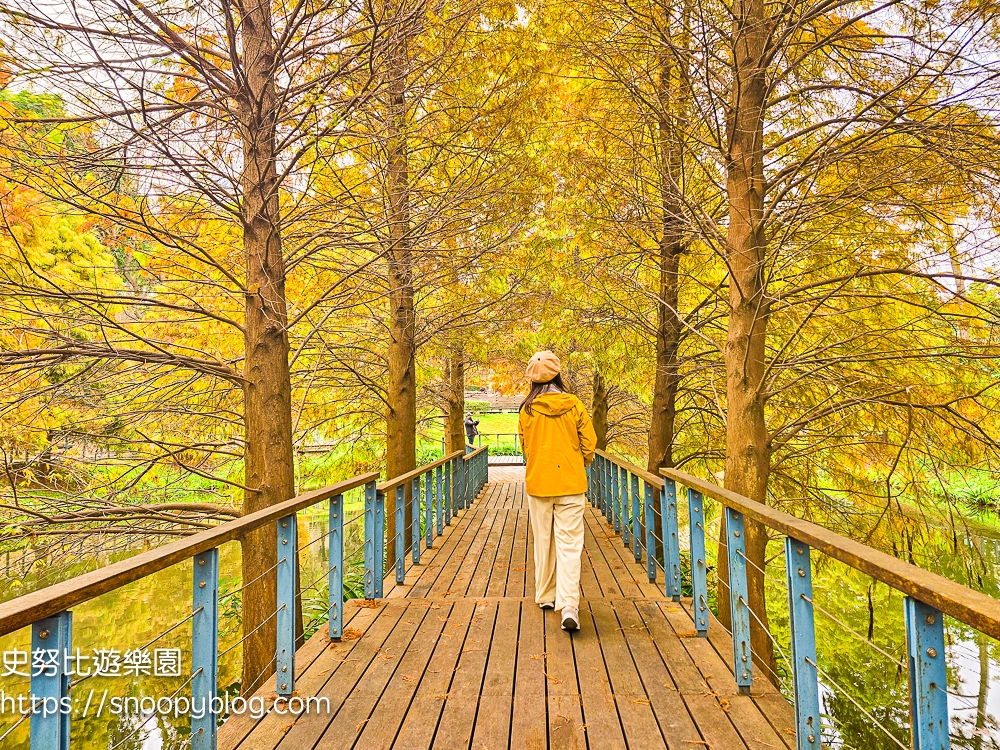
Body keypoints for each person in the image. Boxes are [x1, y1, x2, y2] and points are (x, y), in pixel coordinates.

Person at [517, 350, 597, 632]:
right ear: (557, 373)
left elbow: (526, 446)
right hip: (571, 484)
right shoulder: (574, 405)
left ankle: (545, 596)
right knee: (570, 545)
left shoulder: (526, 409)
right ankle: (570, 605)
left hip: (539, 482)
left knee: (543, 541)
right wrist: (579, 461)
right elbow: (590, 442)